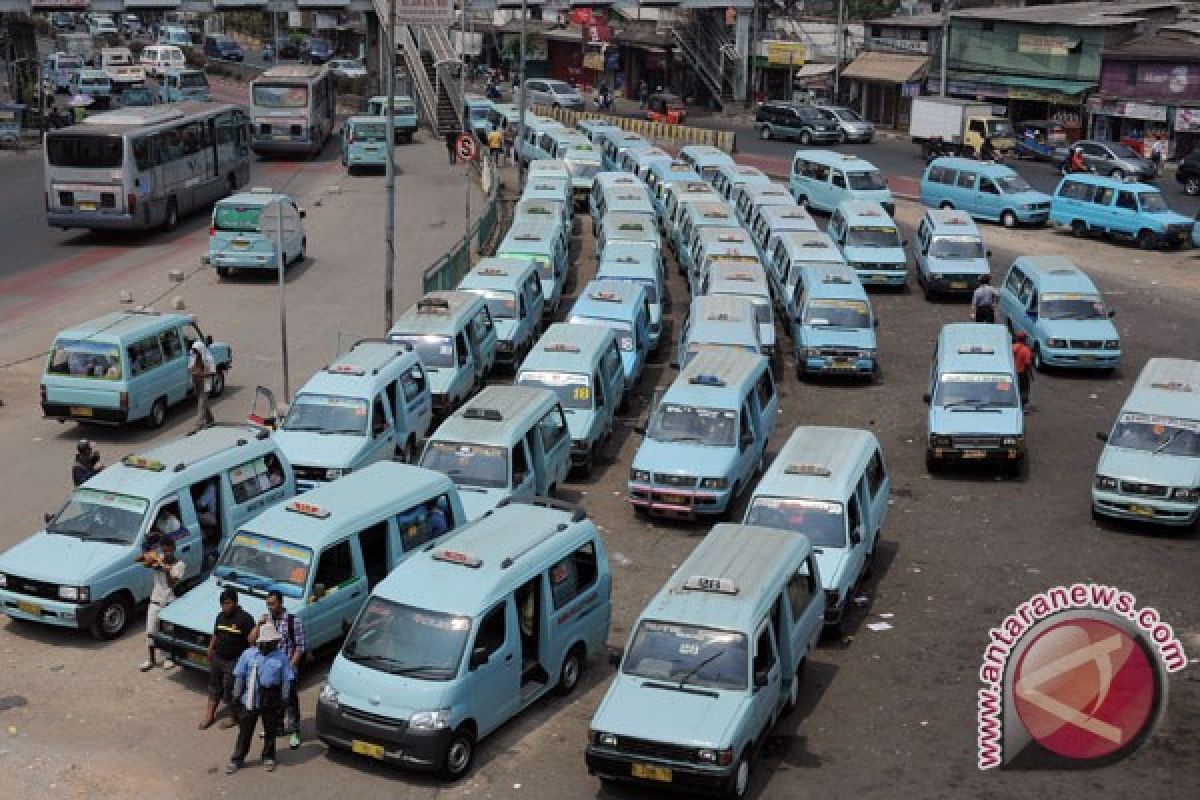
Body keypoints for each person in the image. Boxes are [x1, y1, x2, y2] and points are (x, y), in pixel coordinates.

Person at [226, 622, 294, 774]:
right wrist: (236, 696)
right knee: (245, 731)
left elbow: (286, 680)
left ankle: (268, 757)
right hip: (249, 698)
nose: (273, 645)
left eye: (274, 642)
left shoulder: (281, 658)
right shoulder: (248, 654)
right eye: (269, 643)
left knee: (270, 729)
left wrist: (285, 699)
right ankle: (237, 759)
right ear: (261, 643)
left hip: (271, 697)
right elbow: (240, 677)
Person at [251, 590, 306, 750]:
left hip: (286, 668)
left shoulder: (292, 621)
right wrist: (259, 625)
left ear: (281, 603)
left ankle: (294, 731)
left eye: (273, 604)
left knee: (290, 701)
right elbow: (251, 641)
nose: (270, 607)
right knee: (273, 701)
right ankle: (277, 727)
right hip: (269, 670)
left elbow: (300, 647)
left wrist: (290, 668)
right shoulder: (266, 620)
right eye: (268, 604)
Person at [200, 588, 256, 730]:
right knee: (213, 687)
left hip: (235, 660)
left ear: (235, 603)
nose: (225, 607)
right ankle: (209, 715)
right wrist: (210, 648)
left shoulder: (245, 618)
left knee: (229, 690)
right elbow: (216, 634)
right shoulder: (220, 617)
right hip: (218, 658)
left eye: (228, 603)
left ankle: (233, 717)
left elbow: (252, 640)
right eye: (223, 604)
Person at [140, 537, 185, 672]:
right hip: (155, 600)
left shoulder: (180, 565)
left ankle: (168, 658)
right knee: (150, 631)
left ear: (174, 549)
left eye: (169, 551)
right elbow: (140, 561)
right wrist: (149, 556)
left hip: (169, 602)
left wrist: (166, 570)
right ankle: (151, 660)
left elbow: (172, 583)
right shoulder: (158, 558)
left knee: (168, 632)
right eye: (164, 551)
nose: (167, 554)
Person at [189, 340, 216, 430]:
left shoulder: (209, 358)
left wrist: (202, 375)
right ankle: (210, 419)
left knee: (201, 403)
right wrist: (193, 371)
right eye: (194, 350)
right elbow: (190, 367)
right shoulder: (193, 356)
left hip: (205, 383)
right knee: (203, 403)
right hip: (197, 383)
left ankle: (198, 424)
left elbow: (213, 372)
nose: (195, 352)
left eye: (196, 350)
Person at [1012, 331, 1034, 410]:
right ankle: (1022, 406)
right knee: (1024, 389)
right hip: (1022, 374)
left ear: (1017, 338)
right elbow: (1027, 364)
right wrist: (1031, 375)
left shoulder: (1011, 347)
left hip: (1012, 373)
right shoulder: (1026, 350)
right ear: (1024, 339)